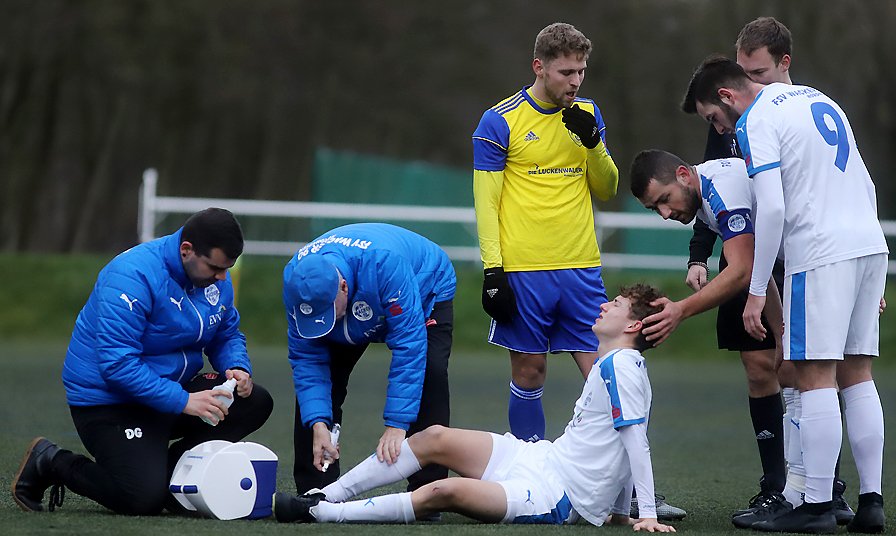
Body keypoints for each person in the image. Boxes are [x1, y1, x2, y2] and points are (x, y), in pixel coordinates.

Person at [273, 285, 676, 532]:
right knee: (433, 438)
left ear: (632, 326)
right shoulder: (612, 363)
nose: (604, 305)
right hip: (543, 458)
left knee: (443, 490)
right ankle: (323, 494)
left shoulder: (623, 366)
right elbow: (619, 447)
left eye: (616, 304)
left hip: (556, 496)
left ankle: (324, 515)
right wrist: (618, 512)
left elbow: (634, 443)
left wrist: (646, 514)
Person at [689, 55, 888, 534]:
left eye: (713, 117)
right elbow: (866, 182)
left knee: (813, 376)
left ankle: (816, 505)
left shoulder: (756, 120)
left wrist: (757, 291)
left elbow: (774, 208)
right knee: (857, 375)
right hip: (868, 243)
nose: (718, 129)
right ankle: (871, 502)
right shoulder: (818, 98)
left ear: (727, 96)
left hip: (817, 251)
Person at [11, 208, 274, 516]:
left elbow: (226, 332)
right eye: (215, 268)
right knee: (141, 499)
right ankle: (51, 461)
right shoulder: (131, 275)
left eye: (227, 269)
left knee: (253, 401)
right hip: (110, 403)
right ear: (186, 250)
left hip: (170, 392)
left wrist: (236, 366)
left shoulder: (214, 279)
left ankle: (177, 481)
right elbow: (117, 365)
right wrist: (183, 401)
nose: (222, 278)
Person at [283, 223, 455, 501]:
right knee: (321, 386)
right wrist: (318, 424)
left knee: (430, 372)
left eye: (326, 312)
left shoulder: (384, 266)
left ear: (343, 287)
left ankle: (428, 492)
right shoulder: (296, 280)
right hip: (363, 291)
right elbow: (307, 360)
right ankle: (315, 490)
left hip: (422, 284)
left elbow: (409, 348)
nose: (322, 322)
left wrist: (397, 424)